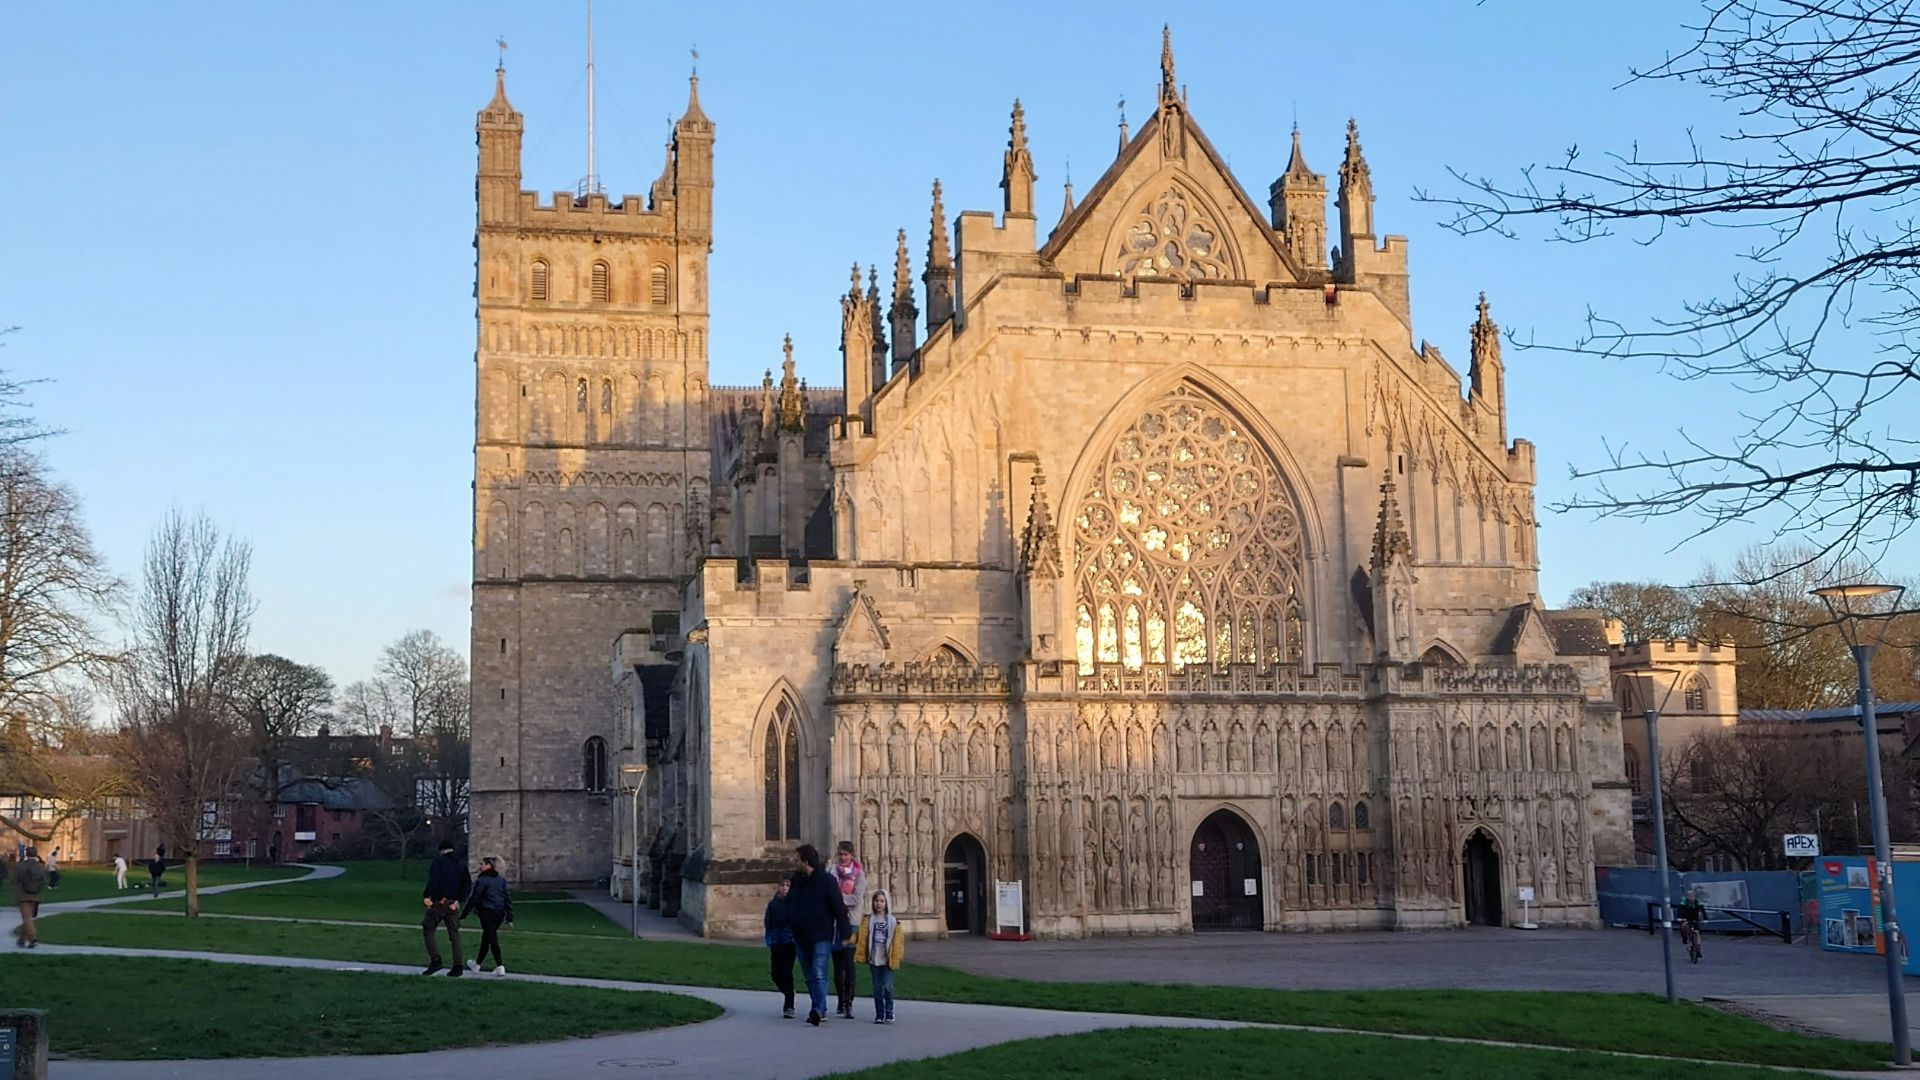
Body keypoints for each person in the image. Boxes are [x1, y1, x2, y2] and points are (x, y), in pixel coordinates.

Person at [789, 843, 852, 1027]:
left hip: (821, 935)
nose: (794, 862)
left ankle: (819, 1009)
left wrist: (845, 931)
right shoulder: (797, 880)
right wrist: (789, 920)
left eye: (797, 859)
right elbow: (790, 904)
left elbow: (838, 907)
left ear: (806, 861)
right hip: (800, 935)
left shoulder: (826, 881)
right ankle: (818, 1007)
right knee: (809, 975)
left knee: (818, 972)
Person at [853, 888, 904, 1024]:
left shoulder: (892, 921)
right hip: (874, 958)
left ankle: (889, 1012)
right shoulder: (869, 920)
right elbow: (861, 936)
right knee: (877, 988)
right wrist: (850, 940)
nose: (879, 904)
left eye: (882, 901)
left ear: (886, 903)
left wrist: (897, 956)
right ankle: (879, 1014)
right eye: (876, 901)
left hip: (887, 959)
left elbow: (898, 941)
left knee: (888, 986)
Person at [421, 839, 471, 977]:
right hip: (453, 904)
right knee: (454, 934)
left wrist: (427, 896)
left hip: (440, 901)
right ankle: (458, 965)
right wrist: (458, 901)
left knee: (428, 928)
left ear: (442, 850)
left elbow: (434, 881)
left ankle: (435, 960)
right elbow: (467, 885)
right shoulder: (461, 864)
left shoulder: (439, 863)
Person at [829, 840, 865, 1019]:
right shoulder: (832, 872)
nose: (843, 857)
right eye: (840, 854)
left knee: (849, 964)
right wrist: (840, 899)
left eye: (846, 854)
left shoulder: (859, 874)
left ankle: (849, 1002)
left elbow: (857, 898)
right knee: (837, 965)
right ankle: (840, 1000)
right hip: (835, 923)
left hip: (851, 922)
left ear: (851, 856)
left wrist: (838, 899)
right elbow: (829, 895)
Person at [461, 855, 513, 977]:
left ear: (488, 866)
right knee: (487, 937)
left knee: (492, 938)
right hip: (499, 913)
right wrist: (509, 916)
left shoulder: (483, 880)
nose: (480, 866)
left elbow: (474, 898)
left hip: (487, 912)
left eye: (482, 864)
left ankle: (500, 966)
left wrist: (464, 914)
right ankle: (477, 964)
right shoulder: (501, 880)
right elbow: (507, 898)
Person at [763, 878, 797, 1018]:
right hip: (776, 941)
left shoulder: (794, 904)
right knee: (775, 974)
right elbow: (768, 922)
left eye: (787, 885)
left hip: (789, 941)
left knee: (786, 973)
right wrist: (770, 938)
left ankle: (789, 1004)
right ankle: (789, 992)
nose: (784, 888)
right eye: (782, 885)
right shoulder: (773, 904)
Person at [10, 847, 48, 948]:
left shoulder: (20, 866)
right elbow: (44, 881)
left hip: (23, 895)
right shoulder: (41, 866)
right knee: (28, 918)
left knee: (26, 918)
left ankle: (32, 937)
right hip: (36, 895)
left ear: (26, 854)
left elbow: (14, 880)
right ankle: (22, 939)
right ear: (36, 854)